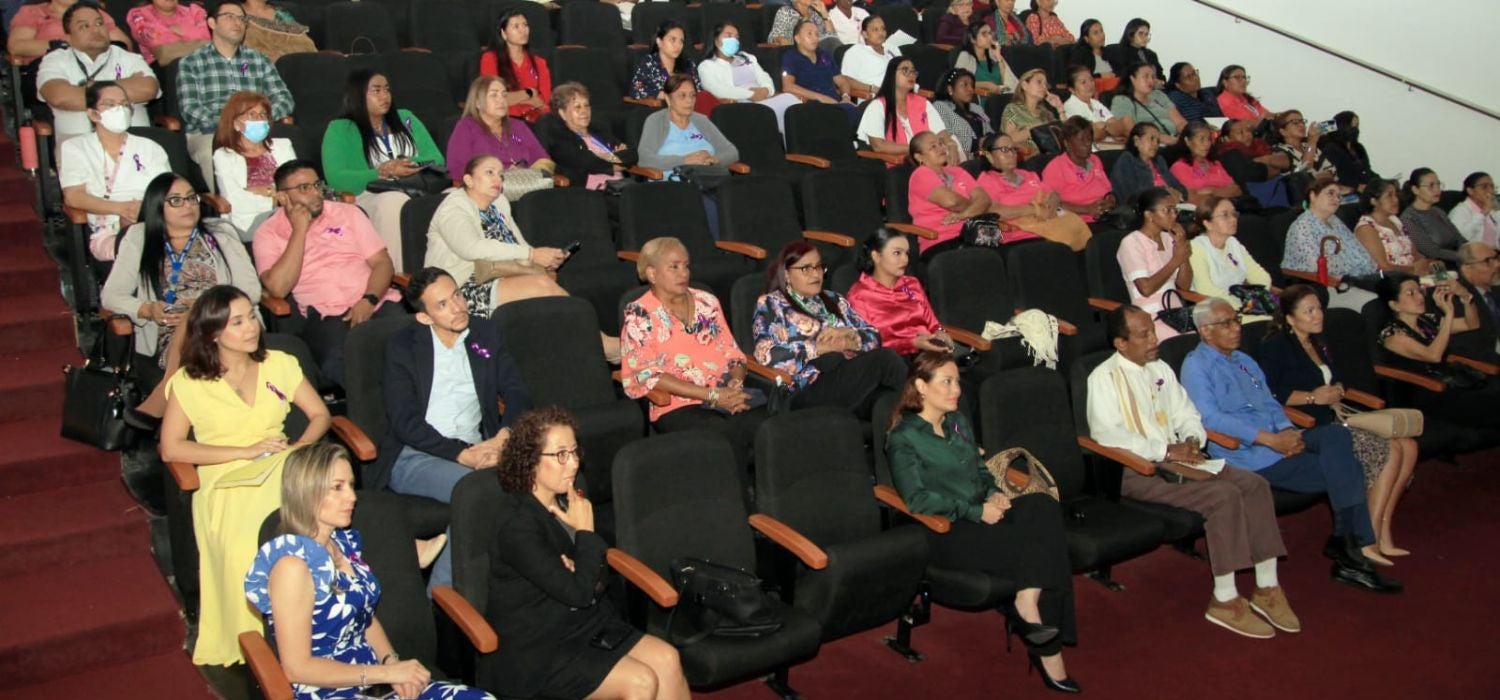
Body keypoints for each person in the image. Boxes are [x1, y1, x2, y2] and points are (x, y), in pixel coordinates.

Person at [1087, 305, 1298, 638]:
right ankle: (1225, 600)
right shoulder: (1103, 378)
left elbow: (1187, 412)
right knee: (1224, 496)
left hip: (1182, 460)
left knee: (1254, 485)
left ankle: (1267, 588)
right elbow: (1107, 435)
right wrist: (1166, 450)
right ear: (1121, 344)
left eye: (1152, 331)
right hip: (1138, 469)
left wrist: (1189, 439)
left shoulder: (1160, 369)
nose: (1154, 339)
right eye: (1144, 335)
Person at [158, 284, 332, 665]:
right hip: (224, 477)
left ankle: (320, 626)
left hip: (281, 463)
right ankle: (258, 640)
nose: (252, 327)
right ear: (214, 333)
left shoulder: (280, 363)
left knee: (318, 513)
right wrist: (243, 452)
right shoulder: (190, 381)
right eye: (238, 322)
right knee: (248, 539)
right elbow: (171, 447)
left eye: (251, 316)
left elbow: (321, 415)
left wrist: (300, 447)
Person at [1181, 298, 1403, 593]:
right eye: (1227, 323)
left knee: (1337, 436)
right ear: (1206, 331)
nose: (1237, 329)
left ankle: (1347, 545)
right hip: (1250, 453)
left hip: (1279, 436)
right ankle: (1351, 552)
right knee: (1350, 472)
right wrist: (1270, 440)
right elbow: (1210, 418)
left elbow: (1271, 403)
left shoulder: (1244, 361)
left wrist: (1288, 432)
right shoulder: (1196, 366)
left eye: (1236, 320)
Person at [244, 443, 496, 700]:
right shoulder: (292, 566)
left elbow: (365, 616)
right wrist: (384, 674)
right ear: (306, 492)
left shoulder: (342, 544)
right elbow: (297, 669)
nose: (352, 497)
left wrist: (392, 663)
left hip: (373, 679)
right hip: (327, 690)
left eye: (351, 485)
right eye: (338, 487)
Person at [888, 352, 1080, 690]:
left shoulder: (958, 420)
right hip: (948, 530)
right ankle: (1050, 653)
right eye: (946, 382)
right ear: (921, 386)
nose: (956, 389)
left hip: (985, 511)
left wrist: (993, 492)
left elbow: (980, 469)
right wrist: (976, 511)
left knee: (1042, 506)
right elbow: (916, 499)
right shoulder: (903, 437)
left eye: (957, 381)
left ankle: (1027, 602)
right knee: (1038, 546)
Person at [486, 407, 689, 700]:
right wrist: (584, 535)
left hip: (582, 623)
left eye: (574, 451)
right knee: (640, 682)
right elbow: (580, 592)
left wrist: (580, 560)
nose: (573, 464)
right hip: (539, 648)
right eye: (560, 455)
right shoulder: (517, 525)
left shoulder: (568, 500)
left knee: (668, 659)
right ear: (530, 461)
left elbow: (596, 580)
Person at [376, 266, 532, 591]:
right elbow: (405, 424)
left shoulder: (484, 333)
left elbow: (517, 392)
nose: (458, 307)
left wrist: (503, 437)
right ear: (424, 317)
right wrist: (462, 455)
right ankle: (443, 600)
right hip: (417, 456)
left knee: (536, 476)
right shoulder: (402, 348)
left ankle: (512, 587)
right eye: (442, 304)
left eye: (457, 295)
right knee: (480, 493)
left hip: (482, 445)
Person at [1256, 285, 1419, 565]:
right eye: (1309, 311)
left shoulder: (1318, 342)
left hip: (1335, 417)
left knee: (1409, 446)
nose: (1318, 315)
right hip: (1305, 425)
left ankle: (1383, 531)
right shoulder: (1275, 347)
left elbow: (1334, 379)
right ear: (1290, 318)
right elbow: (1269, 394)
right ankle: (1366, 538)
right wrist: (1312, 397)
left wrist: (1337, 389)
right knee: (1390, 450)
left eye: (1319, 308)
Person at [102, 172, 259, 421]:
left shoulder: (221, 232)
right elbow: (111, 295)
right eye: (176, 200)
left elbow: (251, 289)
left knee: (194, 320)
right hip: (167, 334)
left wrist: (206, 308)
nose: (188, 205)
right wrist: (147, 309)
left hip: (228, 325)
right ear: (156, 205)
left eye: (191, 198)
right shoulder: (139, 237)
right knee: (188, 329)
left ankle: (161, 400)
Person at [253, 159, 405, 385]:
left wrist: (369, 300)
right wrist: (299, 231)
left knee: (411, 348)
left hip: (375, 301)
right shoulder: (268, 233)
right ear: (282, 197)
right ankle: (371, 416)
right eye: (304, 188)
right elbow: (278, 287)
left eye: (317, 185)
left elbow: (382, 263)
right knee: (345, 366)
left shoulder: (348, 213)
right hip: (326, 316)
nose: (315, 193)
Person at [621, 238, 767, 473]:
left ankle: (772, 500)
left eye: (686, 266)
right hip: (678, 404)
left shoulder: (706, 301)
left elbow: (733, 354)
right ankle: (738, 503)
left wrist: (735, 384)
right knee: (724, 437)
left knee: (767, 427)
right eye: (674, 266)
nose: (684, 273)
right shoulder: (640, 313)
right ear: (652, 273)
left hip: (724, 392)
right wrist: (711, 395)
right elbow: (648, 374)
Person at [424, 156, 594, 331]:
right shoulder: (453, 208)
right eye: (489, 173)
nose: (497, 179)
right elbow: (472, 249)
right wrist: (532, 254)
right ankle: (597, 340)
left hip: (501, 273)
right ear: (469, 180)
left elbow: (518, 243)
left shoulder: (499, 202)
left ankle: (555, 344)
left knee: (548, 277)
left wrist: (544, 259)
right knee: (541, 286)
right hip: (461, 289)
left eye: (500, 175)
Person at [752, 241, 906, 413]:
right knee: (886, 360)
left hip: (850, 376)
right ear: (786, 274)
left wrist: (851, 338)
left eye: (819, 267)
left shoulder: (834, 300)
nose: (815, 274)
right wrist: (818, 348)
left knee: (886, 401)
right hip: (808, 386)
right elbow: (765, 355)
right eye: (806, 268)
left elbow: (874, 336)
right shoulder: (771, 303)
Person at [322, 69, 445, 258]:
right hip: (369, 193)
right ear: (358, 95)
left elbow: (436, 158)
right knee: (393, 201)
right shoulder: (340, 129)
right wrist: (381, 172)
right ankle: (397, 275)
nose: (384, 96)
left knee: (454, 196)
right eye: (376, 91)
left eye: (387, 90)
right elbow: (335, 177)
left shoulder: (406, 119)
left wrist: (404, 165)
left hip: (417, 185)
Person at [177, 1, 294, 191]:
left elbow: (284, 99)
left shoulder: (258, 60)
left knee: (286, 146)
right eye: (230, 17)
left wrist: (259, 119)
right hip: (211, 131)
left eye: (242, 18)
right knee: (211, 153)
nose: (237, 23)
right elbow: (190, 109)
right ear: (212, 23)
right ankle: (227, 209)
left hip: (257, 129)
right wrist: (230, 123)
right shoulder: (192, 62)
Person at [58, 81, 171, 261]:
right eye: (110, 104)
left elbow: (167, 190)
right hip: (109, 230)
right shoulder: (75, 147)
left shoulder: (150, 147)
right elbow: (74, 196)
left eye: (124, 104)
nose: (120, 109)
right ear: (93, 114)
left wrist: (144, 210)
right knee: (135, 242)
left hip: (153, 220)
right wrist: (121, 209)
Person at [1376, 273, 1500, 428]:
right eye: (1410, 293)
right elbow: (1433, 356)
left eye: (1420, 291)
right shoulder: (1392, 335)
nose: (1420, 297)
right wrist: (1448, 315)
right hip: (1425, 391)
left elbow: (1471, 324)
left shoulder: (1426, 321)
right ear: (1394, 305)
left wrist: (1465, 296)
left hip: (1450, 382)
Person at [37, 2, 158, 144]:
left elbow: (148, 89)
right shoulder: (55, 60)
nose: (95, 30)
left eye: (99, 23)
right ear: (68, 38)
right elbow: (59, 97)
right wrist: (123, 91)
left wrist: (85, 90)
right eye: (84, 26)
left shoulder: (128, 57)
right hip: (79, 143)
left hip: (134, 141)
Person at [445, 76, 553, 205]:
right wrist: (499, 175)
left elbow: (542, 158)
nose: (501, 100)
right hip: (483, 195)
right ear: (478, 103)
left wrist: (523, 173)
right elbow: (458, 171)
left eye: (503, 95)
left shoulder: (518, 126)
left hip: (524, 191)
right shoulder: (466, 127)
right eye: (494, 95)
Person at [973, 132, 1091, 251]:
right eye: (1005, 150)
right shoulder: (986, 180)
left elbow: (1053, 194)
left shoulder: (1029, 175)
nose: (1012, 154)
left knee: (1084, 237)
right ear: (989, 156)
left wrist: (1050, 207)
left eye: (1014, 149)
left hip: (1048, 227)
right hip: (1020, 237)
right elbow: (994, 212)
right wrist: (1035, 209)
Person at [846, 228, 952, 356]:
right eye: (897, 253)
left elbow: (933, 323)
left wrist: (940, 332)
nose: (905, 260)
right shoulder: (860, 295)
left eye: (906, 253)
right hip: (891, 362)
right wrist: (912, 343)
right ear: (876, 256)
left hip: (927, 354)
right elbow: (865, 345)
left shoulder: (909, 287)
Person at [1281, 174, 1379, 310]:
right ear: (1313, 196)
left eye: (1339, 196)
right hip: (1325, 286)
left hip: (1356, 279)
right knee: (1374, 301)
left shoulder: (1335, 221)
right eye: (1330, 193)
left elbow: (1359, 252)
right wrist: (1351, 275)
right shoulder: (1302, 226)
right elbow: (1314, 267)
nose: (1336, 199)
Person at [212, 90, 297, 235]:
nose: (259, 119)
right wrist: (276, 198)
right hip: (249, 223)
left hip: (290, 215)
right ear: (236, 124)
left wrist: (262, 191)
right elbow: (236, 202)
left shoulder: (283, 146)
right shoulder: (223, 156)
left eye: (263, 115)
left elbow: (295, 187)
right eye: (251, 115)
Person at [1118, 187, 1193, 339]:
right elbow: (1146, 288)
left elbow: (1184, 285)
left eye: (1175, 210)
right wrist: (1176, 260)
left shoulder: (1169, 238)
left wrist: (1181, 247)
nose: (1174, 216)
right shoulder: (1132, 243)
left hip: (1177, 312)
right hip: (1149, 316)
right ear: (1149, 215)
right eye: (1168, 210)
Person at [537, 82, 637, 191]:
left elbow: (632, 154)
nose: (584, 111)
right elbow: (587, 162)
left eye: (586, 105)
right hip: (593, 194)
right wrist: (616, 159)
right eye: (577, 107)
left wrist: (605, 157)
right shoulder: (561, 139)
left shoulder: (599, 132)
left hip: (622, 188)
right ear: (562, 113)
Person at [908, 131, 993, 257]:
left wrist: (964, 214)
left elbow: (985, 200)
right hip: (942, 239)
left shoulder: (957, 171)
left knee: (999, 250)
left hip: (974, 232)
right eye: (933, 146)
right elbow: (951, 202)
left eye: (941, 143)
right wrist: (977, 208)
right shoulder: (920, 174)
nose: (941, 148)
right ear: (919, 157)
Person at [697, 21, 800, 126]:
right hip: (741, 105)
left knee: (790, 107)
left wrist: (766, 90)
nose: (734, 40)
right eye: (729, 36)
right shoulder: (707, 66)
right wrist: (750, 94)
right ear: (716, 40)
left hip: (764, 99)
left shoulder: (747, 57)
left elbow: (764, 77)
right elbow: (718, 90)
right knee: (789, 105)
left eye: (736, 38)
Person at [637, 75, 740, 177]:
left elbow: (732, 152)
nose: (689, 100)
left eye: (693, 95)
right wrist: (684, 160)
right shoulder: (656, 121)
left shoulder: (701, 120)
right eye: (682, 95)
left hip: (708, 181)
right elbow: (644, 159)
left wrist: (714, 159)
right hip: (673, 186)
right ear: (668, 99)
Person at [1188, 196, 1271, 320]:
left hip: (1244, 304)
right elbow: (1205, 289)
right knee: (1264, 321)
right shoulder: (1196, 248)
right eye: (1225, 215)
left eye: (1234, 214)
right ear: (1208, 223)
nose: (1233, 219)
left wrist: (1254, 300)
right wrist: (1240, 305)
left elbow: (1261, 276)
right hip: (1215, 310)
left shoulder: (1233, 243)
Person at [859, 57, 952, 159]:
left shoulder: (923, 103)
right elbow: (878, 146)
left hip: (929, 160)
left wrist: (952, 145)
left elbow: (941, 132)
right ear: (892, 75)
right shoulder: (877, 106)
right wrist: (916, 150)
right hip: (898, 165)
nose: (911, 75)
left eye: (913, 71)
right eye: (905, 70)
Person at [479, 9, 551, 122]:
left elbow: (544, 99)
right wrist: (530, 93)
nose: (523, 30)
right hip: (506, 120)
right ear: (503, 33)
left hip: (537, 120)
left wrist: (511, 98)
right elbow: (494, 99)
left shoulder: (539, 62)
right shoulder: (490, 59)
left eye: (525, 25)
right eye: (516, 26)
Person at [1041, 116, 1116, 223]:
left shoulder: (1095, 160)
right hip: (1078, 223)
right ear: (1067, 143)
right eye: (1082, 140)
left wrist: (1110, 200)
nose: (1087, 143)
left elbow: (1108, 191)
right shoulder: (1056, 167)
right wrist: (1087, 209)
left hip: (1105, 217)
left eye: (1089, 139)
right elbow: (1049, 203)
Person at [781, 19, 857, 121]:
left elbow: (842, 81)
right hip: (811, 107)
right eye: (810, 34)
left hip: (837, 105)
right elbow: (788, 87)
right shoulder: (790, 57)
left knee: (865, 111)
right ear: (797, 38)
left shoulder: (824, 55)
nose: (815, 38)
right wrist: (821, 98)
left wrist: (846, 97)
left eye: (817, 34)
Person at [8, 0, 130, 64]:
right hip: (51, 68)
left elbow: (124, 45)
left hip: (98, 65)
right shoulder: (33, 12)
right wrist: (65, 45)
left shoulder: (94, 12)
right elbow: (16, 46)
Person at [1354, 179, 1434, 276]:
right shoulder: (1366, 228)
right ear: (1374, 201)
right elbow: (1382, 266)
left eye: (1396, 195)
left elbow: (1415, 255)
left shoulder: (1396, 221)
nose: (1396, 200)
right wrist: (1413, 269)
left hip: (1414, 275)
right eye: (1389, 196)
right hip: (1393, 280)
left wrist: (1428, 263)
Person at [1109, 122, 1187, 208]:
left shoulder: (1159, 161)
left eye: (1158, 141)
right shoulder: (1127, 160)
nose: (1155, 144)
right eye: (1151, 139)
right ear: (1136, 141)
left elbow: (1180, 188)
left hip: (1171, 208)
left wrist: (1177, 193)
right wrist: (1164, 193)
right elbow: (1129, 196)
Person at [1400, 167, 1466, 264]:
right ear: (1415, 190)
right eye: (1431, 186)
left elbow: (1459, 239)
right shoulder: (1408, 218)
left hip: (1459, 260)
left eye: (1438, 184)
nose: (1437, 190)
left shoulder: (1438, 211)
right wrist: (1466, 257)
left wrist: (1472, 251)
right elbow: (1432, 252)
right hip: (1437, 265)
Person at [1108, 62, 1184, 145]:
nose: (1151, 80)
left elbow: (1180, 122)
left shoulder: (1159, 95)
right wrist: (1167, 139)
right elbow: (1130, 129)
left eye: (1152, 77)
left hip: (1174, 141)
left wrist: (1185, 137)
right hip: (1148, 145)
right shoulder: (1122, 100)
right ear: (1132, 79)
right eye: (1146, 77)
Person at [1169, 122, 1242, 206]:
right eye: (1202, 139)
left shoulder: (1215, 163)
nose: (1207, 144)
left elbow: (1237, 190)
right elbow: (1192, 198)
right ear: (1187, 141)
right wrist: (1223, 191)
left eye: (1208, 139)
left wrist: (1211, 191)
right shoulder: (1179, 167)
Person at [629, 20, 701, 102]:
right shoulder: (649, 63)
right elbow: (635, 90)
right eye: (672, 40)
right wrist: (661, 94)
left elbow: (698, 91)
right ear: (659, 41)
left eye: (681, 41)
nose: (678, 45)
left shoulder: (689, 65)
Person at [999, 68, 1062, 157]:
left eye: (1046, 84)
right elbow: (1008, 139)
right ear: (1024, 85)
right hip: (1029, 158)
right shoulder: (1013, 109)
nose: (1044, 87)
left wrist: (1060, 108)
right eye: (1039, 82)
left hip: (1052, 156)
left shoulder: (1046, 113)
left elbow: (1064, 134)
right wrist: (1035, 129)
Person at [1061, 65, 1130, 148]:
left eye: (1091, 80)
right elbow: (1091, 134)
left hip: (1109, 145)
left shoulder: (1095, 103)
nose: (1090, 85)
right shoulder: (1070, 106)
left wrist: (1103, 126)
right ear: (1072, 89)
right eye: (1084, 82)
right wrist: (1106, 128)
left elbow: (1117, 127)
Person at [1452, 241, 1500, 359]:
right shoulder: (1457, 299)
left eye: (1496, 258)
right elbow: (1474, 347)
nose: (1497, 264)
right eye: (1488, 261)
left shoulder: (1495, 290)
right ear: (1467, 269)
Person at [931, 68, 991, 159]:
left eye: (972, 86)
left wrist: (990, 140)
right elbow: (946, 137)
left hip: (986, 154)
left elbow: (989, 129)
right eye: (965, 85)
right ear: (950, 88)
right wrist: (978, 143)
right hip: (963, 158)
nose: (970, 89)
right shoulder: (940, 107)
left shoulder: (977, 109)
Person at [126, 0, 209, 65]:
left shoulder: (195, 11)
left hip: (203, 60)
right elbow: (156, 41)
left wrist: (181, 32)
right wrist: (193, 35)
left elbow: (209, 35)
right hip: (163, 68)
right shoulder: (139, 14)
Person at [953, 21, 1016, 99]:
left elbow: (1007, 82)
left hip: (1000, 98)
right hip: (980, 99)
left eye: (990, 33)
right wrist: (986, 85)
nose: (990, 37)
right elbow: (958, 82)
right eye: (984, 34)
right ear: (973, 39)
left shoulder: (993, 56)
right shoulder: (966, 56)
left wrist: (998, 57)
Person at [839, 15, 898, 94]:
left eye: (883, 29)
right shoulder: (855, 52)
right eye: (875, 30)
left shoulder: (892, 48)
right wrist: (871, 88)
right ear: (865, 34)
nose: (881, 33)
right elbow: (845, 80)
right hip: (875, 97)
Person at [1268, 110, 1331, 180]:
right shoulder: (1279, 150)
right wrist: (1312, 142)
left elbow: (1331, 170)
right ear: (1283, 132)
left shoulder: (1307, 146)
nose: (1301, 125)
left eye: (1302, 122)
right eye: (1295, 122)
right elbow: (1304, 171)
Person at [1320, 111, 1374, 191]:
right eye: (1352, 126)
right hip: (1347, 192)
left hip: (1366, 189)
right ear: (1343, 126)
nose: (1355, 130)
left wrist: (1380, 182)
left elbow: (1367, 170)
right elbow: (1333, 176)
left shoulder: (1359, 148)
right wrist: (1356, 186)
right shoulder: (1331, 148)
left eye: (1356, 126)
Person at [1213, 119, 1281, 181]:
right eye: (1240, 132)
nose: (1247, 135)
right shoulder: (1230, 155)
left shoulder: (1261, 146)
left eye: (1248, 130)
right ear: (1227, 139)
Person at [1450, 172, 1499, 247]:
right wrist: (1483, 213)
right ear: (1470, 191)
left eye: (1492, 186)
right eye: (1484, 187)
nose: (1491, 191)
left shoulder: (1492, 210)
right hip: (1474, 256)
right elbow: (1461, 239)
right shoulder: (1460, 211)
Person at [1067, 18, 1116, 93]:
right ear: (1086, 38)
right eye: (1095, 33)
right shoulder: (1081, 53)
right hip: (1095, 90)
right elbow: (1075, 77)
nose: (1101, 35)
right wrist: (1099, 75)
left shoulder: (1109, 52)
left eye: (1101, 31)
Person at [768, 0, 834, 47]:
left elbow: (831, 37)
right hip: (794, 55)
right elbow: (775, 38)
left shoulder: (815, 14)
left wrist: (824, 13)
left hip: (818, 53)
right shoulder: (786, 12)